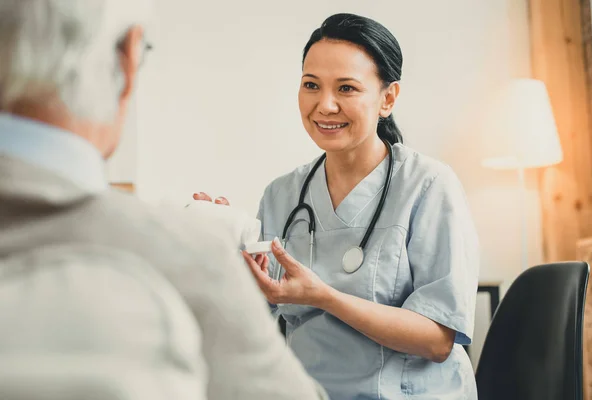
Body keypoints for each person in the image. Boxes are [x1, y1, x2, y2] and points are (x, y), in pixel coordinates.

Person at [0, 1, 328, 399]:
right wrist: (224, 287)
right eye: (312, 84)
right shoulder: (186, 259)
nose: (325, 104)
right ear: (128, 56)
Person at [196, 13, 479, 400]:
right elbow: (253, 330)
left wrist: (322, 295)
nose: (325, 105)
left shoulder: (428, 186)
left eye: (346, 88)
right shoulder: (282, 195)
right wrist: (225, 258)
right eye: (311, 85)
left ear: (388, 98)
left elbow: (437, 339)